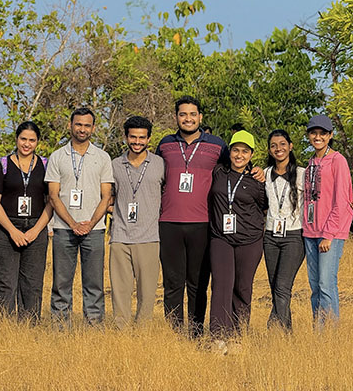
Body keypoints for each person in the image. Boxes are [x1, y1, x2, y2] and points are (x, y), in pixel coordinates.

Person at [156, 96, 259, 338]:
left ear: (200, 117)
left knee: (198, 284)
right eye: (183, 114)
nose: (188, 118)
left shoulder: (217, 145)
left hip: (203, 223)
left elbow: (235, 168)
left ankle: (195, 332)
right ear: (176, 117)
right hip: (169, 222)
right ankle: (174, 334)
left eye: (193, 114)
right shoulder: (165, 144)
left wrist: (256, 170)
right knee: (172, 283)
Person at [45, 107, 114, 326]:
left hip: (94, 230)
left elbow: (106, 196)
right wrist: (73, 223)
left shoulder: (103, 157)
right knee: (61, 283)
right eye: (78, 124)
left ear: (93, 128)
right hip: (64, 228)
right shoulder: (57, 157)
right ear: (70, 125)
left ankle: (94, 327)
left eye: (87, 125)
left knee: (94, 283)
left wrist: (90, 223)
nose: (82, 129)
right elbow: (53, 196)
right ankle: (60, 327)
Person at [0, 121, 53, 322]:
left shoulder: (46, 165)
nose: (27, 144)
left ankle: (29, 328)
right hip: (5, 229)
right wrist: (12, 231)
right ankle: (4, 329)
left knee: (32, 283)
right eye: (23, 139)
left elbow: (52, 201)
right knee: (5, 283)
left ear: (38, 142)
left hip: (36, 227)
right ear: (16, 139)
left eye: (32, 140)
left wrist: (36, 230)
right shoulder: (2, 165)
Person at [209, 130, 266, 353]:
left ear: (251, 154)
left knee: (242, 287)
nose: (239, 155)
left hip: (250, 240)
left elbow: (264, 206)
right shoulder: (218, 172)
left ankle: (237, 336)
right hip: (221, 238)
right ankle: (217, 337)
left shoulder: (257, 180)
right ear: (229, 151)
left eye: (244, 151)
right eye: (235, 150)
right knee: (221, 285)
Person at [109, 116, 165, 328]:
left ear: (149, 139)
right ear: (126, 137)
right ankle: (120, 332)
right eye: (133, 137)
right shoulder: (114, 165)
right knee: (120, 291)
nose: (137, 142)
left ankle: (143, 333)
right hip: (120, 237)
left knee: (147, 293)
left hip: (149, 237)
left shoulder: (160, 164)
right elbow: (107, 197)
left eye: (142, 137)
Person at [303, 115, 353, 326]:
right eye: (313, 133)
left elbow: (342, 200)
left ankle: (331, 334)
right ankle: (319, 332)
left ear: (330, 135)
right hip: (310, 232)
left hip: (329, 234)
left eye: (323, 133)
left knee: (326, 284)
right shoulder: (310, 162)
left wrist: (329, 234)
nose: (318, 137)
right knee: (315, 286)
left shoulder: (338, 160)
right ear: (308, 135)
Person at [263, 129, 305, 331]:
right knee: (276, 288)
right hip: (270, 236)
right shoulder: (263, 174)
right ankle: (286, 334)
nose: (278, 149)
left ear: (290, 146)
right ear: (269, 150)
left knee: (282, 286)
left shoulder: (303, 174)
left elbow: (323, 196)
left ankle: (274, 328)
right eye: (273, 145)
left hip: (294, 236)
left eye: (282, 144)